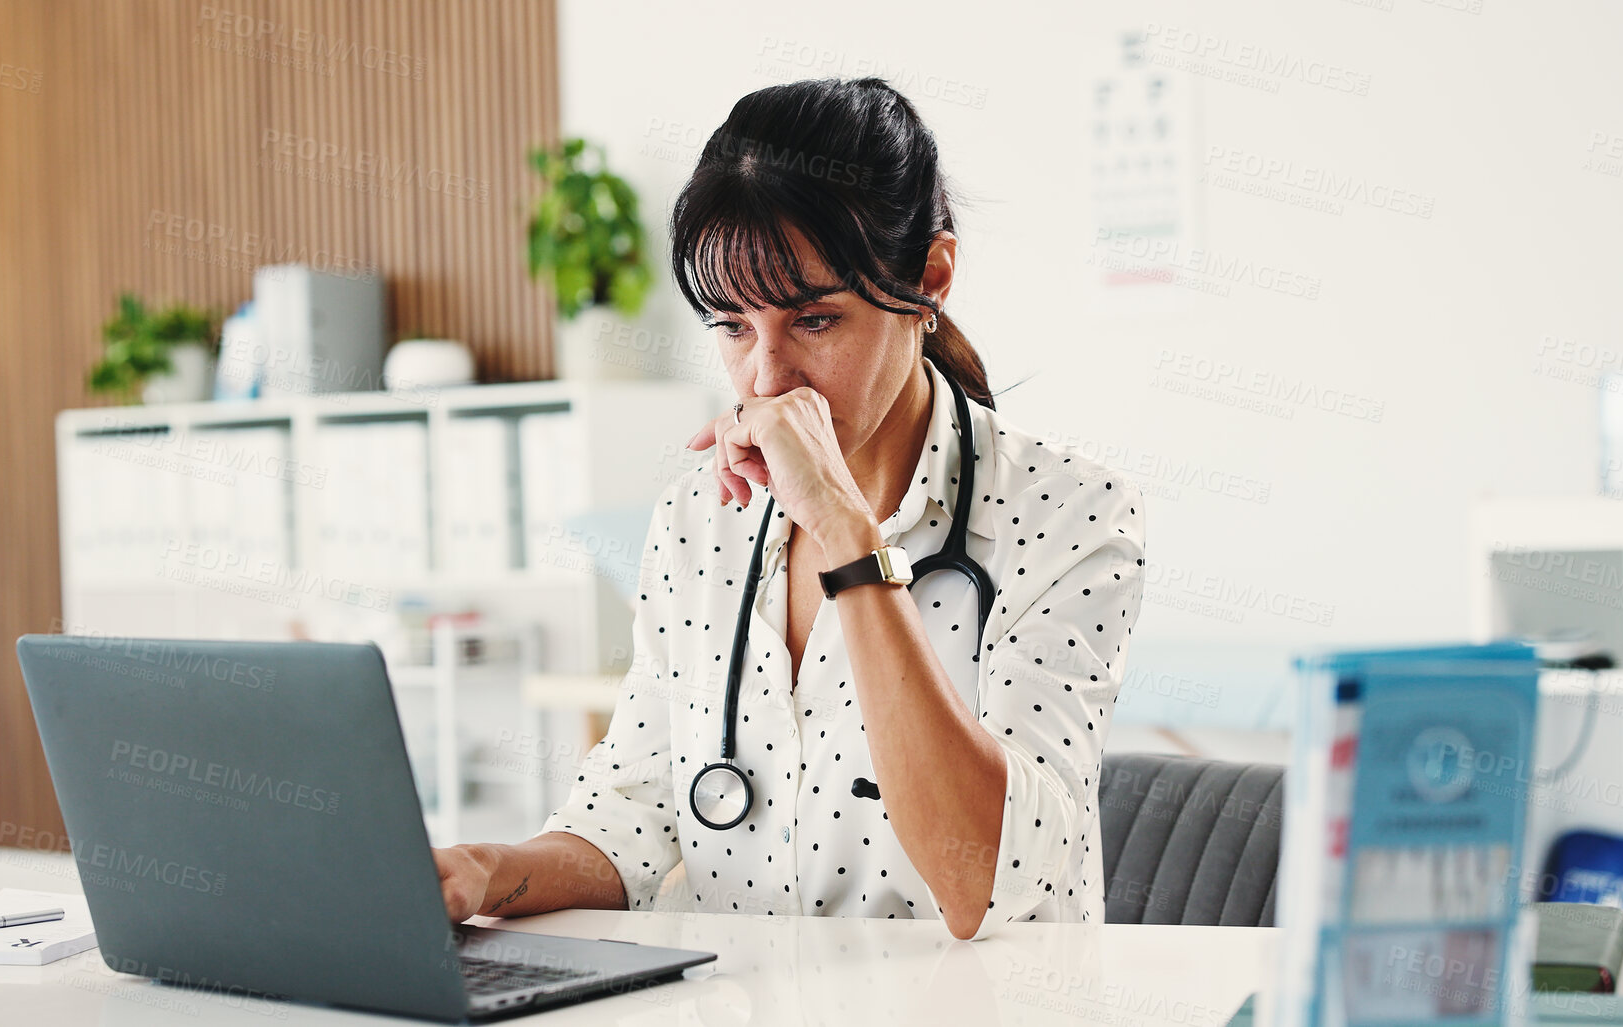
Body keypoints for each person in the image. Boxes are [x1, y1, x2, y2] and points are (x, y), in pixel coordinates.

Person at [433, 77, 1145, 941]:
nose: (767, 381)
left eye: (813, 320)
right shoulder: (702, 517)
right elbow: (632, 816)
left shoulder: (1070, 513)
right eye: (732, 327)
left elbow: (979, 881)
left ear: (929, 279)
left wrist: (847, 531)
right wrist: (488, 871)